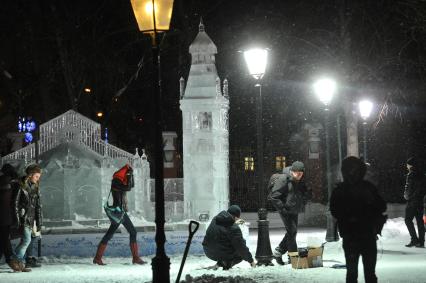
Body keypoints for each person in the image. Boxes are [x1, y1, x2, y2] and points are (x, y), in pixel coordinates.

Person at [330, 156, 387, 283]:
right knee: (366, 274)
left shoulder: (341, 190)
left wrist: (351, 215)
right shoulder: (367, 187)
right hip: (363, 236)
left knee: (354, 274)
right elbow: (382, 206)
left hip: (356, 236)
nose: (352, 174)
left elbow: (335, 211)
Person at [93, 164, 146, 265]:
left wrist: (132, 175)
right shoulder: (116, 181)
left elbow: (131, 185)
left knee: (110, 234)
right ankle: (135, 258)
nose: (128, 176)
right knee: (132, 232)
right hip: (118, 212)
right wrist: (130, 175)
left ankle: (97, 258)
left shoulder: (120, 181)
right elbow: (128, 188)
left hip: (120, 212)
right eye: (127, 174)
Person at [268, 161, 311, 265]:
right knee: (292, 231)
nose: (298, 175)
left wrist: (304, 199)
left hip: (294, 209)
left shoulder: (299, 181)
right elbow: (274, 196)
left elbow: (303, 192)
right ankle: (293, 257)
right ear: (291, 171)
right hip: (285, 210)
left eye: (300, 173)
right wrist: (282, 209)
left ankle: (279, 251)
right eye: (296, 173)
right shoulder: (284, 179)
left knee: (292, 232)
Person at [202, 205, 256, 270]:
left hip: (207, 250)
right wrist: (251, 261)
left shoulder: (215, 218)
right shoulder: (234, 227)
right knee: (240, 249)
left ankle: (221, 262)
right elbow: (241, 247)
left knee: (228, 242)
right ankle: (226, 264)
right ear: (236, 217)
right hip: (219, 252)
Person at [14, 164, 43, 272]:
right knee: (26, 240)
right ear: (30, 175)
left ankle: (18, 261)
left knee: (29, 239)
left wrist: (39, 222)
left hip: (32, 219)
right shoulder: (21, 185)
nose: (38, 178)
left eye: (38, 177)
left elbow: (38, 206)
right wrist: (17, 218)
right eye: (36, 176)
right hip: (24, 218)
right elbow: (15, 203)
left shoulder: (35, 187)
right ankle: (17, 261)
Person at [0, 164, 21, 272]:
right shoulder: (12, 183)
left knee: (3, 239)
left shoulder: (6, 182)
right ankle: (10, 260)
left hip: (4, 216)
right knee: (4, 239)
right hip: (6, 216)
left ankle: (11, 260)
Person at [403, 157, 426, 247]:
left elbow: (408, 188)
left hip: (412, 201)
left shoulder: (411, 174)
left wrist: (406, 196)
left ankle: (414, 239)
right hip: (420, 201)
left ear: (411, 165)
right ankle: (421, 241)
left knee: (408, 220)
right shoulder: (422, 175)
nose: (407, 166)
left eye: (407, 164)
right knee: (420, 221)